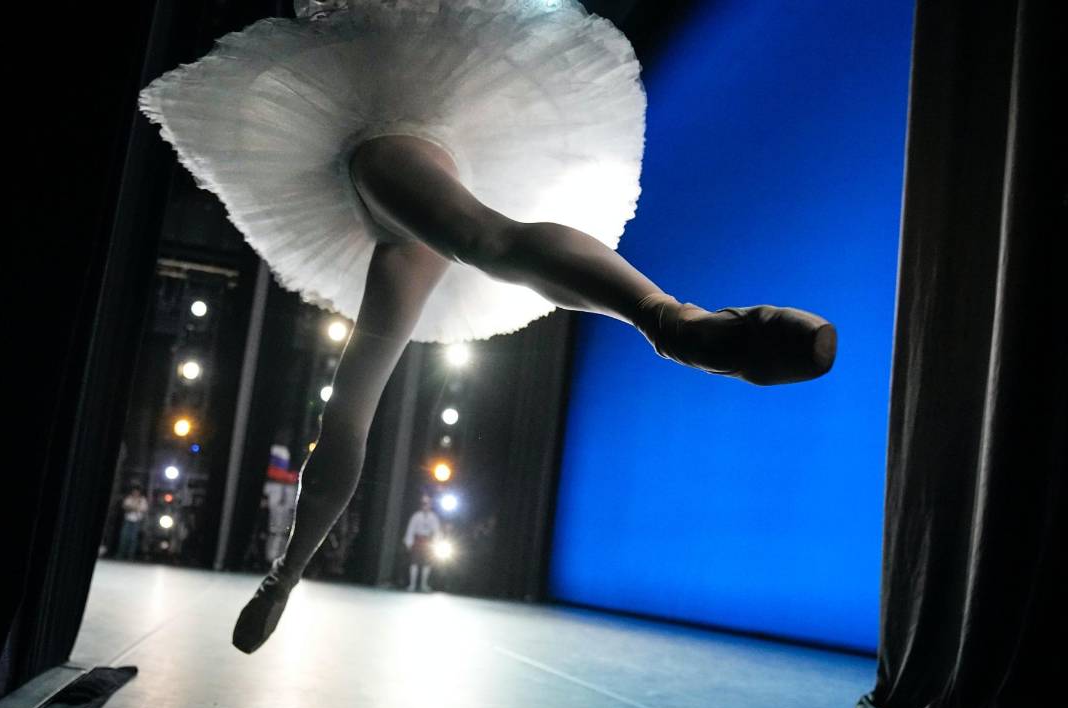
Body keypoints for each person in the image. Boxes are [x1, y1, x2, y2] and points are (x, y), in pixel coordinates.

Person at [138, 0, 838, 655]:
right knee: (361, 390)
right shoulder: (397, 254)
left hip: (389, 145)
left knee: (464, 265)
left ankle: (674, 322)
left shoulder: (374, 155)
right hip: (400, 220)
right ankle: (285, 574)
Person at [403, 495, 442, 592]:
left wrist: (436, 543)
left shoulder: (434, 517)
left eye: (427, 504)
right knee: (414, 562)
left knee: (427, 563)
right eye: (424, 504)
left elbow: (436, 531)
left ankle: (424, 585)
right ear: (421, 505)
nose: (425, 506)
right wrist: (409, 542)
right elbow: (410, 529)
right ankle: (412, 585)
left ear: (430, 505)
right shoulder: (416, 516)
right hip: (417, 540)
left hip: (428, 541)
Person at [116, 486, 148, 560]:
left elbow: (143, 509)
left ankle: (130, 556)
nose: (135, 493)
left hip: (136, 520)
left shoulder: (142, 500)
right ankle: (120, 554)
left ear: (139, 493)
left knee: (133, 538)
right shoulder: (129, 498)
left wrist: (134, 508)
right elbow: (125, 506)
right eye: (134, 492)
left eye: (137, 492)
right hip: (128, 520)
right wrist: (134, 508)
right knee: (124, 537)